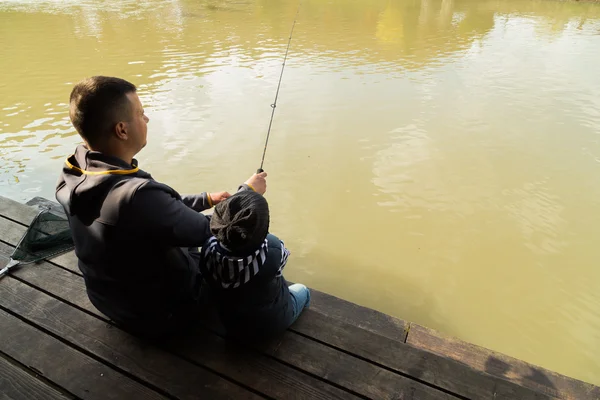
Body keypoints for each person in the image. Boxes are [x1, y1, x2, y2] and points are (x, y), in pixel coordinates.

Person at [55, 75, 267, 339]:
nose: (147, 120)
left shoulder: (75, 171)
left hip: (109, 301)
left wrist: (206, 199)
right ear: (122, 130)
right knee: (264, 249)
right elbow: (210, 230)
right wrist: (247, 194)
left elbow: (159, 211)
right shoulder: (137, 197)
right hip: (161, 315)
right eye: (141, 114)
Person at [198, 190, 310, 342]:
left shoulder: (207, 250)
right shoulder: (273, 249)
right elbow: (282, 261)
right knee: (303, 290)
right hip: (270, 324)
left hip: (230, 324)